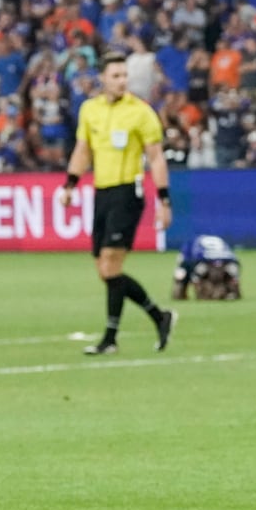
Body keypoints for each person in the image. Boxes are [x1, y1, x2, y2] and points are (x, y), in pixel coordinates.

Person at [61, 51, 178, 356]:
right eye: (115, 76)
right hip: (102, 192)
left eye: (124, 75)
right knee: (104, 269)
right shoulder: (90, 110)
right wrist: (70, 184)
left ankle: (110, 338)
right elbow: (83, 149)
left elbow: (155, 157)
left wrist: (164, 200)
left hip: (128, 192)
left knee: (111, 265)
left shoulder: (140, 112)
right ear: (102, 78)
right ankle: (159, 316)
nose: (121, 81)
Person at [172, 234, 241, 301]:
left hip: (203, 263)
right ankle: (231, 292)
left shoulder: (191, 242)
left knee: (182, 273)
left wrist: (191, 278)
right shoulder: (219, 240)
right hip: (229, 263)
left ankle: (186, 293)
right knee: (232, 277)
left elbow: (182, 260)